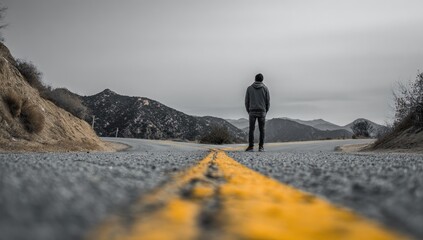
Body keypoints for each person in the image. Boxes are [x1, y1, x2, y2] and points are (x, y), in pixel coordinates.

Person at [245, 73, 270, 152]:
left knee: (251, 129)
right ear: (262, 80)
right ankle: (261, 147)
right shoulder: (265, 89)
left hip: (252, 111)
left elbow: (246, 101)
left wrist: (249, 111)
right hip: (262, 111)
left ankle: (251, 147)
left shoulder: (249, 88)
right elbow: (268, 102)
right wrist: (265, 111)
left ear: (255, 79)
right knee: (262, 130)